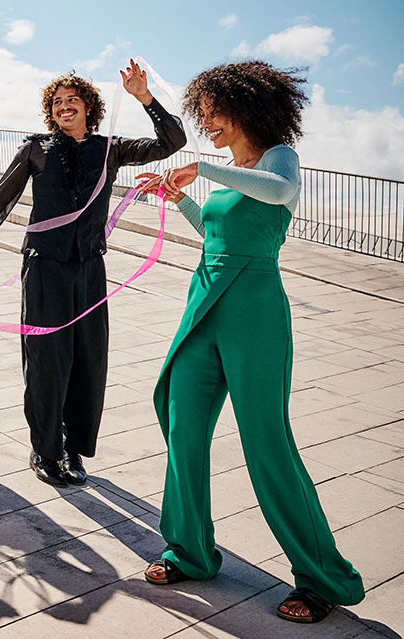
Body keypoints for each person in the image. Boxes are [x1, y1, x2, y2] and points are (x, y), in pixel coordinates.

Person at [139, 61, 363, 624]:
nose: (207, 124)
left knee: (266, 441)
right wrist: (179, 199)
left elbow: (280, 192)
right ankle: (190, 552)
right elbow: (217, 234)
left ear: (246, 109)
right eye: (203, 115)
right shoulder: (231, 173)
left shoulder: (277, 157)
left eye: (214, 113)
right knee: (182, 427)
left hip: (255, 310)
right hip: (204, 301)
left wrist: (203, 169)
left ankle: (322, 578)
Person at [0, 62, 186, 487]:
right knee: (48, 361)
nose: (64, 106)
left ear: (89, 107)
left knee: (88, 359)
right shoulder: (36, 149)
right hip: (44, 267)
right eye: (57, 102)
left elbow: (172, 142)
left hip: (89, 268)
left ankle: (73, 449)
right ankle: (45, 449)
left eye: (72, 99)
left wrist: (144, 97)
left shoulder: (110, 149)